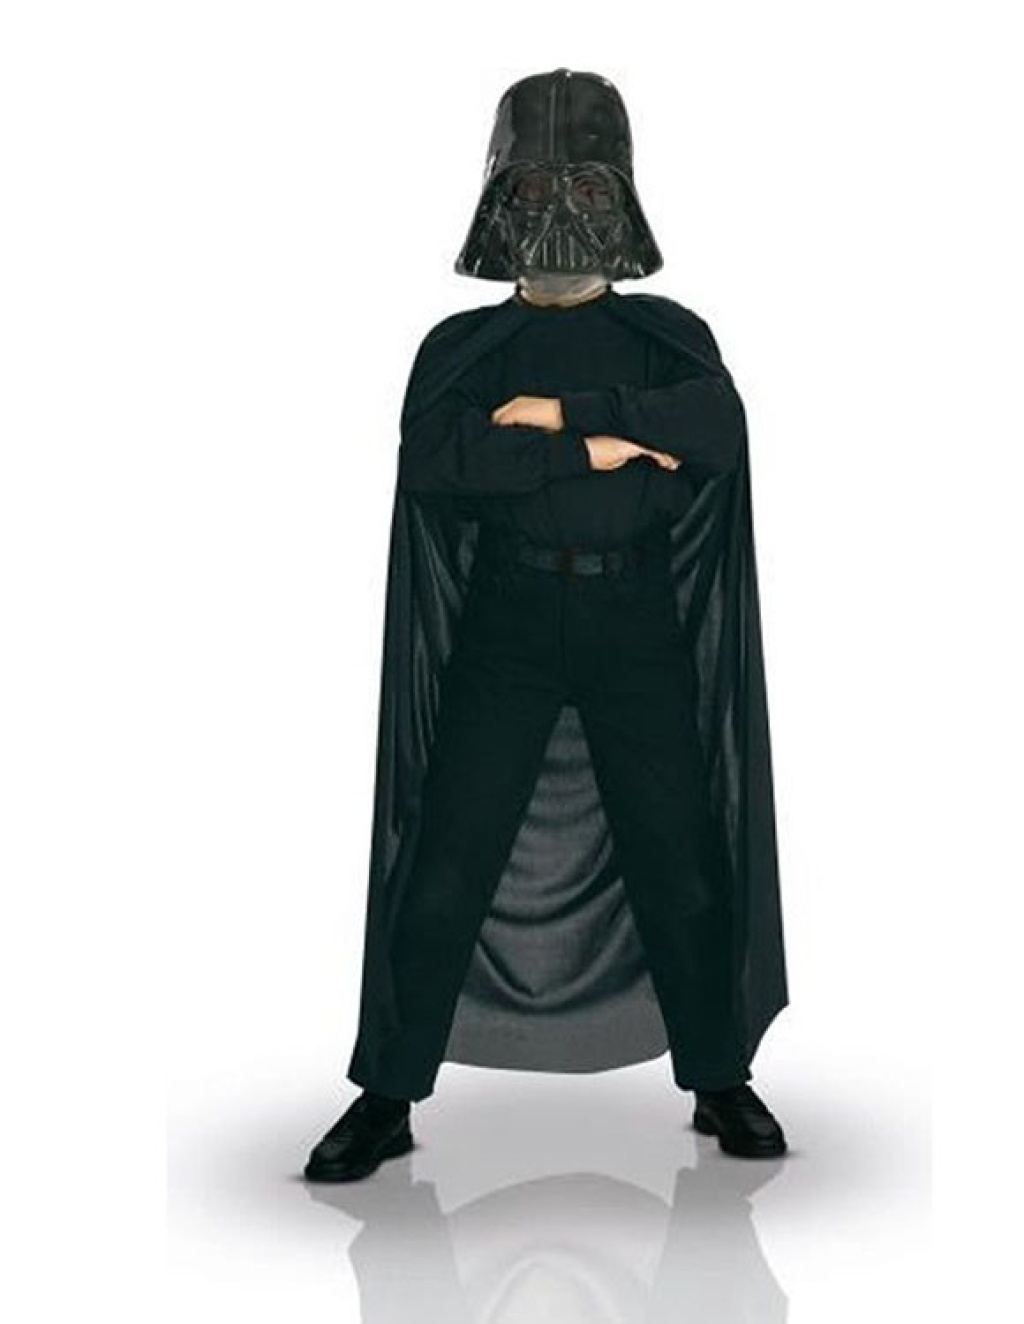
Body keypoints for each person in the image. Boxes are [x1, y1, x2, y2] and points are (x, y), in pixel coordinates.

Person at [304, 68, 790, 1182]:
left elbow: (714, 432)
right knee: (445, 859)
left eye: (583, 189)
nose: (558, 214)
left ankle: (718, 1075)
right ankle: (388, 1092)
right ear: (498, 201)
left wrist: (563, 415)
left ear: (621, 198)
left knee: (681, 857)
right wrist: (603, 451)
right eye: (534, 190)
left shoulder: (670, 339)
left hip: (635, 621)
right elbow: (440, 462)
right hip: (508, 624)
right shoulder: (461, 351)